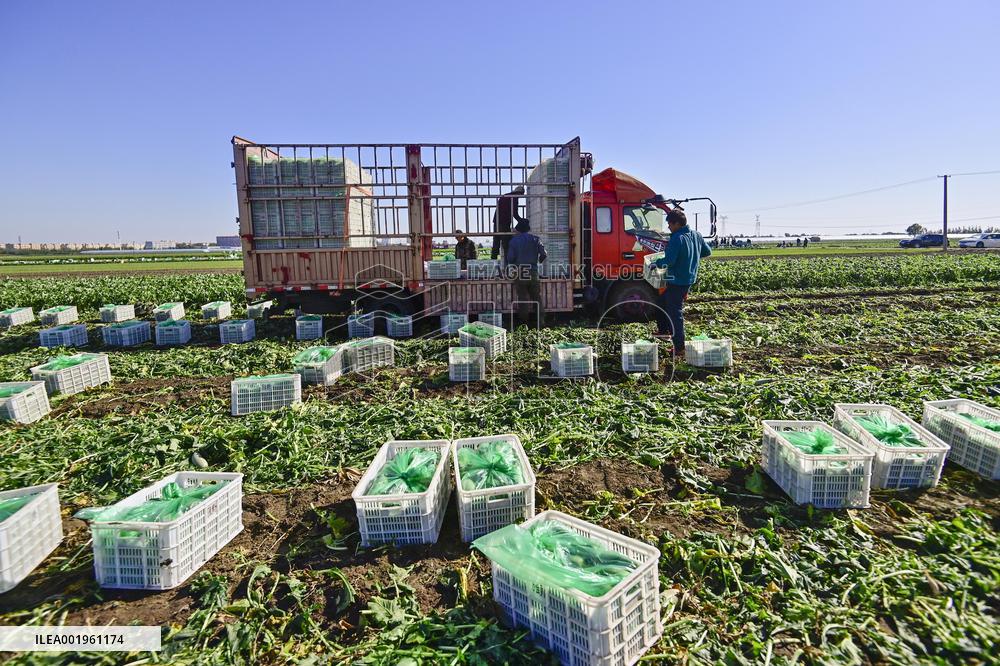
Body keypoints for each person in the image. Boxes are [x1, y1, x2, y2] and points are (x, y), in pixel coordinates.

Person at [652, 208, 712, 357]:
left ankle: (679, 348)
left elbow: (669, 260)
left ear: (677, 223)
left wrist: (656, 263)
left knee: (675, 313)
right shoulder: (696, 235)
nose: (669, 227)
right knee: (661, 302)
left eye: (670, 224)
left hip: (677, 280)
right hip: (688, 278)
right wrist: (691, 257)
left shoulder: (677, 237)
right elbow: (707, 252)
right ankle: (664, 331)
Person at [505, 218, 547, 326]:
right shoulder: (536, 239)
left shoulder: (513, 241)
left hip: (520, 272)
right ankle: (541, 321)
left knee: (522, 297)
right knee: (536, 297)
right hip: (533, 271)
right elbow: (544, 254)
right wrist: (538, 261)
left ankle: (524, 323)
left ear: (518, 230)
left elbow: (510, 258)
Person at [491, 186, 528, 260]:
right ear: (520, 193)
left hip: (496, 222)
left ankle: (493, 261)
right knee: (506, 245)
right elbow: (514, 213)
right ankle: (507, 264)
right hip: (504, 223)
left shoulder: (505, 196)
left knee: (496, 243)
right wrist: (522, 221)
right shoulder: (514, 198)